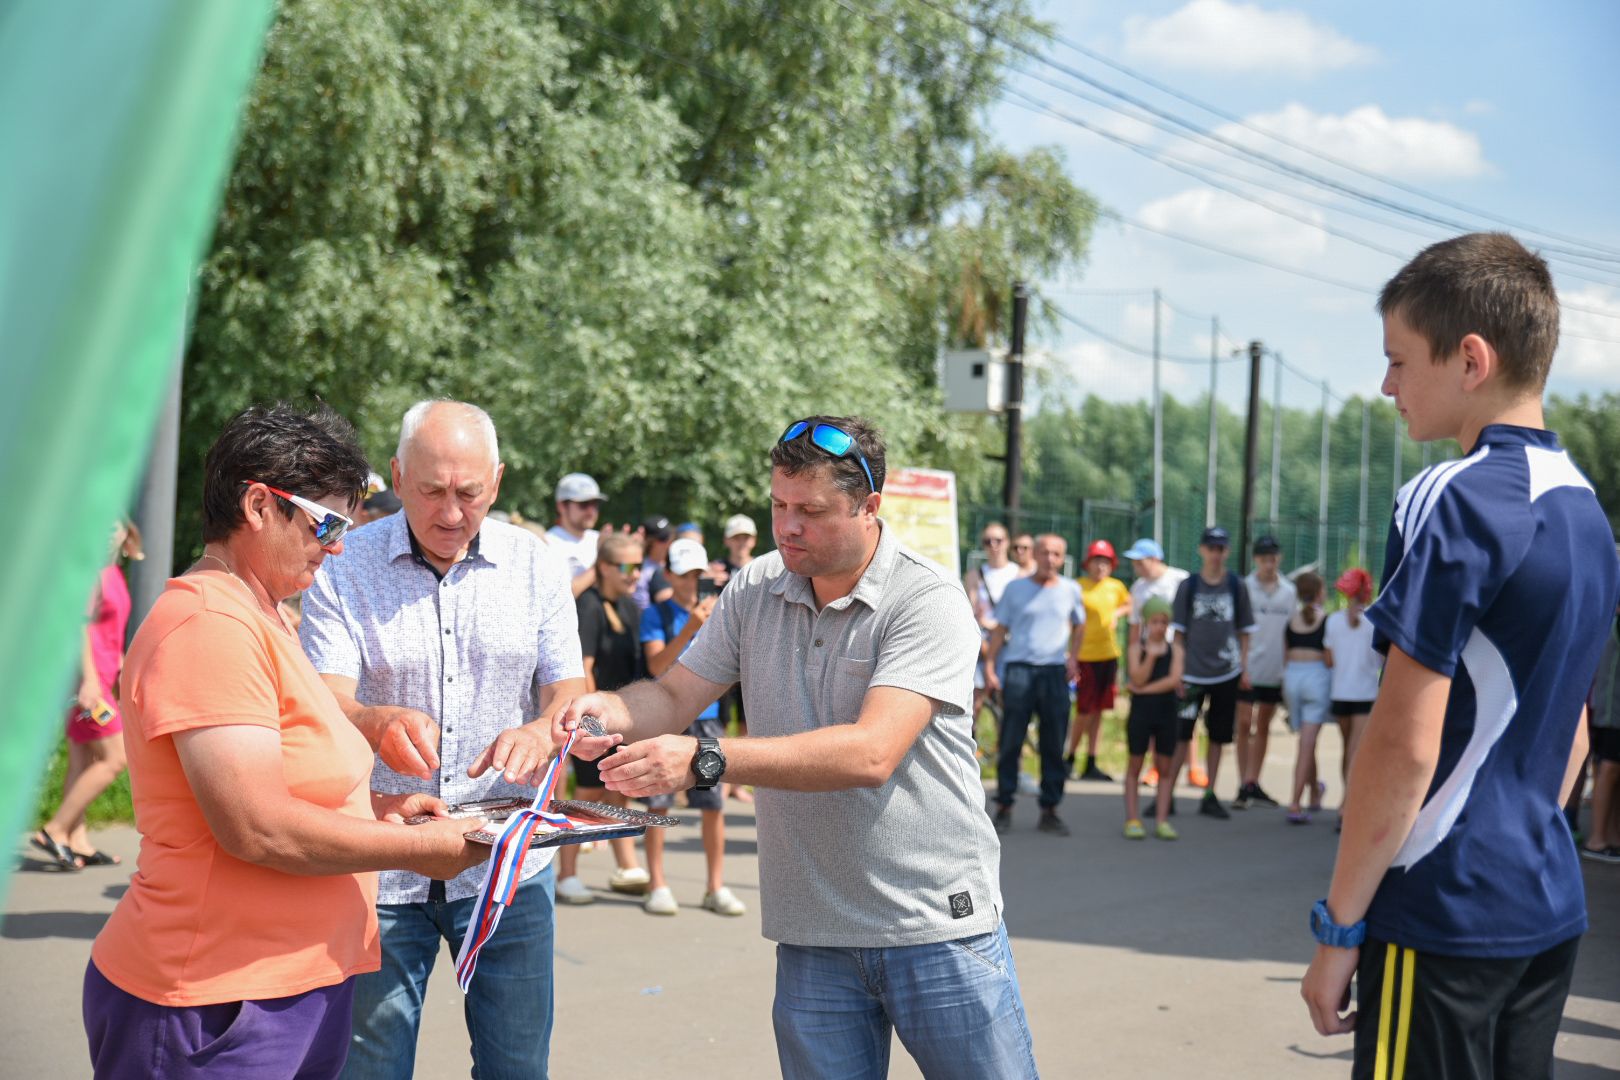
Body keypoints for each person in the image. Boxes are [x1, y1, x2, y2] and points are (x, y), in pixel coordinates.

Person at [554, 414, 1036, 1079]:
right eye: (778, 505)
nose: (787, 527)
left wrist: (706, 758)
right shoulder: (756, 587)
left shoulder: (926, 598)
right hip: (813, 933)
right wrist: (605, 708)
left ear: (870, 507)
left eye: (810, 510)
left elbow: (871, 753)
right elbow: (671, 698)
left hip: (936, 927)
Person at [84, 403, 487, 1080]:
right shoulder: (209, 623)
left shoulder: (260, 613)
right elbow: (257, 826)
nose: (336, 546)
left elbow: (286, 782)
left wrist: (383, 812)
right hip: (215, 1000)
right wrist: (420, 851)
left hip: (276, 988)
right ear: (258, 505)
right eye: (326, 524)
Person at [1301, 234, 1620, 1080]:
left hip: (1442, 908)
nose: (1387, 386)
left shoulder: (1451, 497)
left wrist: (1338, 930)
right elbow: (1574, 736)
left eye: (1400, 360)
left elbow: (1403, 745)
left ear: (1471, 359)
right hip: (1545, 906)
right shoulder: (1590, 518)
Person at [300, 399, 586, 1080]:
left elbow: (568, 690)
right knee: (369, 1070)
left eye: (471, 493)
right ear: (396, 477)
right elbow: (323, 697)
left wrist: (543, 730)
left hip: (507, 868)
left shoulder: (535, 564)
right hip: (380, 867)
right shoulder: (343, 563)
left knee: (517, 1069)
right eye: (432, 491)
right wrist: (375, 721)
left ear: (499, 480)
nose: (453, 513)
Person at [635, 537, 747, 917]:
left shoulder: (718, 612)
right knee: (658, 803)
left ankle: (715, 886)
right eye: (683, 575)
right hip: (667, 719)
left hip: (708, 718)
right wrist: (690, 629)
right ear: (668, 574)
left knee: (713, 804)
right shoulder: (656, 614)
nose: (690, 582)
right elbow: (655, 667)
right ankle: (658, 883)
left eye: (697, 575)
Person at [34, 518, 142, 871]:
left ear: (128, 532)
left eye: (117, 525)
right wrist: (91, 681)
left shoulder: (113, 573)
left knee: (84, 760)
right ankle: (55, 829)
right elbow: (78, 630)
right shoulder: (89, 573)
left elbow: (107, 631)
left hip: (100, 678)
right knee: (116, 757)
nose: (110, 530)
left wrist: (121, 665)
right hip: (87, 683)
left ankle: (75, 841)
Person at [555, 533, 652, 904]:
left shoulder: (628, 607)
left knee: (619, 790)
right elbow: (584, 672)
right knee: (585, 796)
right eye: (626, 567)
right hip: (596, 724)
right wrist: (596, 729)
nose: (634, 575)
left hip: (624, 720)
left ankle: (626, 865)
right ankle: (566, 873)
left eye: (639, 566)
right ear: (604, 568)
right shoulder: (590, 607)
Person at [986, 533, 1085, 836]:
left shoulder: (1071, 589)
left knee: (1054, 743)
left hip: (1055, 673)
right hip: (1019, 672)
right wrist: (990, 666)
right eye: (1045, 553)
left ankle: (1050, 809)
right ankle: (1004, 806)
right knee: (1011, 741)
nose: (1050, 559)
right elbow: (1000, 631)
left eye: (1056, 554)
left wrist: (1074, 659)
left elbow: (1080, 624)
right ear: (1035, 555)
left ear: (1062, 558)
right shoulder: (1016, 589)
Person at [1171, 526, 1254, 819]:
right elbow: (1178, 635)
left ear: (1226, 551)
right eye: (1211, 548)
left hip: (1226, 674)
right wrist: (1177, 671)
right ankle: (1167, 794)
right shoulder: (1189, 586)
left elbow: (1245, 631)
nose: (1216, 554)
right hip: (1192, 674)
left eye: (1221, 549)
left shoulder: (1236, 585)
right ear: (1202, 550)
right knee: (1182, 734)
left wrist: (1243, 667)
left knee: (1218, 736)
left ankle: (1210, 793)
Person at [1123, 537, 1189, 788]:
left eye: (1139, 561)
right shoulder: (1138, 587)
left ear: (1154, 559)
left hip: (1175, 655)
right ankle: (1154, 768)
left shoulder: (1179, 579)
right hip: (1149, 654)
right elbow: (1134, 627)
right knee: (1150, 713)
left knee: (1181, 715)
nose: (1136, 566)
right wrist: (1134, 659)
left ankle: (1192, 767)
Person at [1233, 536, 1292, 810]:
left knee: (1264, 724)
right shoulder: (1245, 587)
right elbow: (1238, 630)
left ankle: (1254, 780)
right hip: (1248, 668)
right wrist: (1240, 664)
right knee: (1244, 723)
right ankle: (1243, 781)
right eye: (1264, 558)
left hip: (1275, 668)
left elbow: (1291, 632)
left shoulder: (1288, 591)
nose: (1269, 563)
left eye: (1273, 557)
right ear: (1256, 559)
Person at [1323, 567, 1383, 829]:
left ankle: (1346, 802)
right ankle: (1347, 806)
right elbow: (1381, 659)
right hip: (1365, 694)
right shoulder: (1376, 621)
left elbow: (1329, 660)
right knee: (1354, 751)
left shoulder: (1333, 621)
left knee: (1347, 750)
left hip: (1340, 693)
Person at [1068, 539, 1130, 782]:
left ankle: (1091, 761)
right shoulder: (1078, 587)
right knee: (1083, 711)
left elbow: (1129, 604)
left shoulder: (1116, 587)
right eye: (1097, 561)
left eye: (1105, 561)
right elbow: (1068, 620)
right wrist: (1069, 654)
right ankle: (1070, 757)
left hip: (1109, 655)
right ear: (1088, 564)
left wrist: (1117, 613)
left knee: (1099, 711)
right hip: (1085, 656)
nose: (1101, 566)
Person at [1123, 597, 1183, 841]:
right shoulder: (1137, 648)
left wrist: (1143, 690)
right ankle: (1133, 818)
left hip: (1167, 712)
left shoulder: (1176, 649)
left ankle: (1162, 820)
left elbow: (1173, 680)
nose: (1159, 627)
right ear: (1147, 623)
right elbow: (1137, 678)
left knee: (1165, 767)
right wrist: (1151, 656)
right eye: (1155, 622)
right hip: (1141, 713)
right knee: (1135, 765)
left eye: (1163, 622)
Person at [1282, 573, 1331, 825]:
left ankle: (1314, 791)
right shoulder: (1327, 621)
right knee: (1307, 744)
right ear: (1319, 592)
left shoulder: (1290, 622)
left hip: (1292, 679)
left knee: (1306, 742)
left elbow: (1284, 657)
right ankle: (1295, 802)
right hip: (1316, 678)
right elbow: (1330, 658)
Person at [965, 522, 1022, 731]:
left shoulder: (1019, 574)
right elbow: (971, 611)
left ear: (1007, 542)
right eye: (987, 541)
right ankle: (971, 747)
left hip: (1009, 642)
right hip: (983, 640)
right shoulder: (975, 575)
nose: (993, 545)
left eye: (998, 540)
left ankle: (1005, 750)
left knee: (1007, 699)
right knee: (974, 697)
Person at [550, 471, 606, 598]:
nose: (591, 511)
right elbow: (562, 597)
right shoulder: (547, 544)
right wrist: (602, 560)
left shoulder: (600, 538)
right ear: (561, 506)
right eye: (584, 504)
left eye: (595, 504)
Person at [633, 514, 675, 611]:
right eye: (663, 538)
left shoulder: (678, 564)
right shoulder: (639, 568)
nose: (669, 541)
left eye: (669, 536)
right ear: (648, 541)